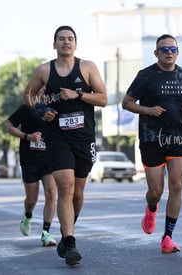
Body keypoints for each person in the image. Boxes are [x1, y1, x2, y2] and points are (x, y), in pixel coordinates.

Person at [23, 25, 108, 266]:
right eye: (61, 39)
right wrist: (42, 109)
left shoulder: (88, 67)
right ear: (54, 44)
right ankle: (69, 242)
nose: (66, 42)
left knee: (78, 194)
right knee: (66, 188)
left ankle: (66, 231)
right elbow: (27, 96)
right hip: (57, 137)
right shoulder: (44, 70)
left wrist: (78, 95)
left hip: (83, 138)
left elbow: (103, 98)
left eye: (70, 39)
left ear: (76, 44)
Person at [122, 34, 182, 253]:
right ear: (156, 53)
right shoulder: (146, 75)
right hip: (151, 138)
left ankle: (167, 237)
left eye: (172, 49)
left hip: (178, 137)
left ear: (177, 52)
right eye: (164, 49)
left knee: (177, 185)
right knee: (156, 190)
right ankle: (151, 208)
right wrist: (147, 110)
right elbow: (126, 102)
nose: (168, 53)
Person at [7, 103, 57, 247]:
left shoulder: (54, 106)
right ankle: (27, 215)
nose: (44, 88)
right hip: (30, 159)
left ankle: (46, 233)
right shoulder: (26, 108)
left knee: (51, 193)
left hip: (49, 158)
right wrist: (27, 136)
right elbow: (10, 128)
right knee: (31, 199)